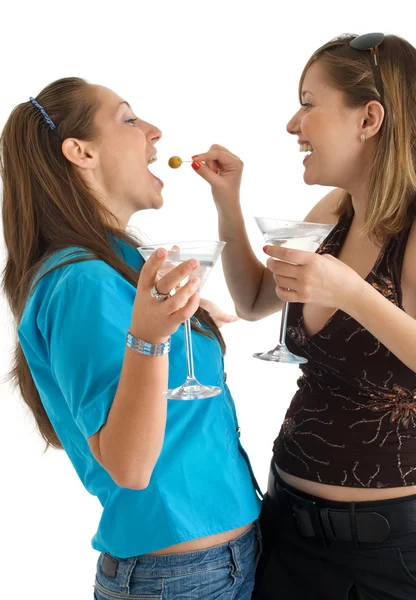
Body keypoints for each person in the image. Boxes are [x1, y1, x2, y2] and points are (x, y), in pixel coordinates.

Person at [192, 33, 416, 599]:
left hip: (395, 555)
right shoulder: (336, 210)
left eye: (309, 103)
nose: (293, 124)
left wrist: (354, 292)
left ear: (369, 118)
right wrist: (227, 201)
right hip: (286, 532)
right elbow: (255, 301)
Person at [1, 77, 262, 600]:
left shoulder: (115, 268)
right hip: (181, 579)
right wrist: (149, 337)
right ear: (81, 152)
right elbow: (130, 465)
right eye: (127, 119)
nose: (153, 132)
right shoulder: (80, 282)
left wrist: (182, 321)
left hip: (229, 558)